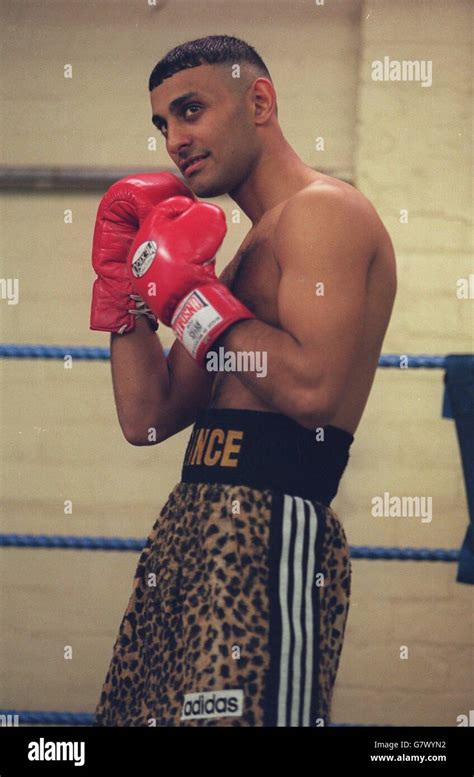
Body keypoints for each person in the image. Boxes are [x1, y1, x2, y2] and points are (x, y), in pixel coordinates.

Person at [90, 34, 397, 727]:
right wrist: (124, 293)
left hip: (270, 529)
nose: (175, 138)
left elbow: (313, 391)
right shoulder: (243, 254)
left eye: (190, 110)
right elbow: (148, 415)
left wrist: (189, 301)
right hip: (190, 528)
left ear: (258, 100)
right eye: (163, 124)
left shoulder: (327, 212)